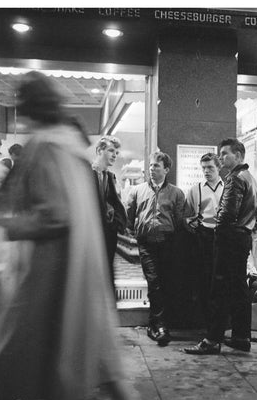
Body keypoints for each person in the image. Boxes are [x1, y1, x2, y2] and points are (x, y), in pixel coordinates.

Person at [0, 70, 142, 400]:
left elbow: (56, 214)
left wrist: (8, 223)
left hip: (50, 273)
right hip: (79, 270)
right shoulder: (70, 146)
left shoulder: (45, 146)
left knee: (14, 350)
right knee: (104, 361)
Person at [185, 137, 257, 355]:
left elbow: (227, 213)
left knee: (219, 290)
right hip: (243, 238)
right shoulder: (251, 178)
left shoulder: (235, 178)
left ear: (238, 155)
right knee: (239, 289)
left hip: (229, 240)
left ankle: (212, 340)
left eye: (225, 153)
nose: (222, 157)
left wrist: (219, 234)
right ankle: (241, 337)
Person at [125, 151, 186, 346]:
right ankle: (159, 325)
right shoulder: (137, 190)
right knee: (153, 281)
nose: (152, 169)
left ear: (166, 170)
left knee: (166, 282)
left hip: (168, 243)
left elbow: (179, 219)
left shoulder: (176, 193)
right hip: (146, 243)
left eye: (156, 166)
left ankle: (158, 323)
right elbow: (130, 214)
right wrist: (134, 232)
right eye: (150, 166)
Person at [185, 152, 224, 328]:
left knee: (220, 280)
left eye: (210, 168)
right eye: (204, 168)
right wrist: (192, 224)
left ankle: (220, 322)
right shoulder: (195, 189)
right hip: (202, 237)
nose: (207, 171)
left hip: (222, 237)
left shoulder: (227, 187)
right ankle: (205, 321)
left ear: (219, 168)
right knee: (203, 279)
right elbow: (187, 215)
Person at [92, 136, 127, 278]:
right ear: (99, 150)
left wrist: (116, 223)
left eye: (116, 153)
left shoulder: (111, 177)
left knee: (106, 275)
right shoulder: (87, 174)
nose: (114, 155)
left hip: (108, 234)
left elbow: (116, 203)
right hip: (91, 234)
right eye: (111, 150)